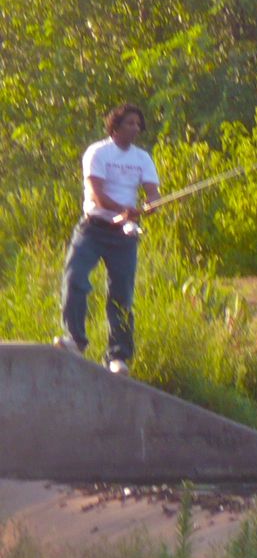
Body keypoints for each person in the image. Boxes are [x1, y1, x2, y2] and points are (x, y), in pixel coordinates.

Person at [55, 103, 161, 375]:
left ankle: (118, 356)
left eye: (138, 124)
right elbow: (97, 195)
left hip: (124, 234)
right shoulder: (98, 152)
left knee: (121, 294)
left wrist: (151, 205)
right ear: (115, 126)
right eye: (130, 123)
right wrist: (122, 209)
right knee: (74, 277)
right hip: (93, 228)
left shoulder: (142, 158)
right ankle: (75, 340)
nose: (135, 128)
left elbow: (153, 194)